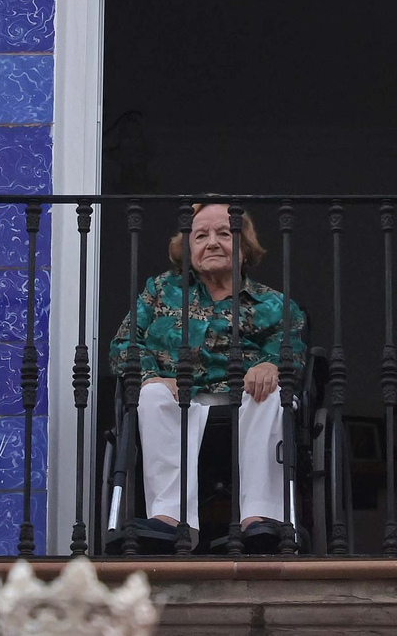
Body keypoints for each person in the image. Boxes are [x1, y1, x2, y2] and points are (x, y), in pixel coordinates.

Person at [108, 202, 306, 553]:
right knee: (149, 394)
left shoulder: (274, 305)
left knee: (275, 393)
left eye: (223, 233)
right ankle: (170, 520)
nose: (211, 242)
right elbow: (124, 345)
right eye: (200, 236)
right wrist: (153, 376)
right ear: (187, 250)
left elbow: (292, 354)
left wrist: (272, 366)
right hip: (175, 398)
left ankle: (261, 518)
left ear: (244, 248)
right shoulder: (158, 292)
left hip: (242, 400)